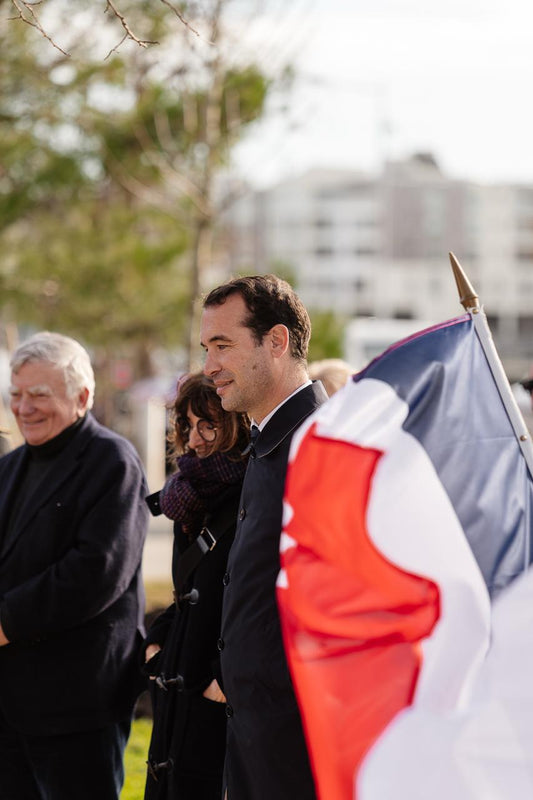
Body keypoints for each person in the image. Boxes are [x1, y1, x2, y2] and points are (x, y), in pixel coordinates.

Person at [0, 331, 149, 800]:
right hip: (12, 702)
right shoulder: (12, 465)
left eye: (39, 395)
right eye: (16, 395)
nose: (24, 408)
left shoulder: (112, 461)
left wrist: (4, 621)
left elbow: (95, 573)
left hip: (79, 702)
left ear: (82, 397)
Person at [200, 274, 329, 799]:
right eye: (206, 349)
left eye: (223, 346)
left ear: (276, 342)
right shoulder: (268, 440)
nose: (209, 368)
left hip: (302, 751)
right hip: (258, 740)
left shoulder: (323, 445)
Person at [142, 373, 249, 800]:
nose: (196, 440)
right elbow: (185, 593)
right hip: (178, 679)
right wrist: (157, 642)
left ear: (235, 426)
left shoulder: (251, 490)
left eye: (209, 425)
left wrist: (221, 681)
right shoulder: (188, 494)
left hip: (220, 693)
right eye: (187, 425)